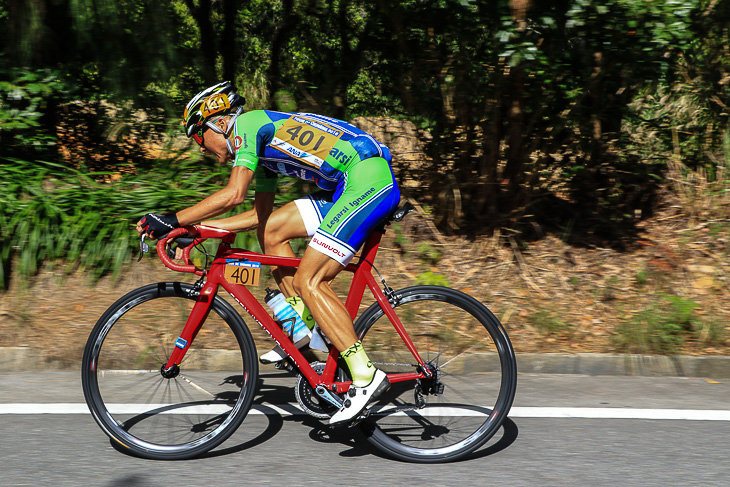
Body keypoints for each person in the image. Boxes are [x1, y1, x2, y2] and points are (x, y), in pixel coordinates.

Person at [136, 81, 400, 426]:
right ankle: (304, 325)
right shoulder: (262, 150)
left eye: (198, 137)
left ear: (216, 123)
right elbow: (259, 216)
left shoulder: (248, 125)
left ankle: (365, 375)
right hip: (351, 186)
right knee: (273, 231)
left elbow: (233, 193)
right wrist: (198, 229)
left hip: (366, 181)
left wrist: (172, 219)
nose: (200, 148)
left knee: (311, 280)